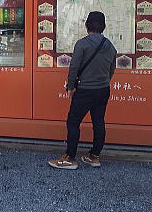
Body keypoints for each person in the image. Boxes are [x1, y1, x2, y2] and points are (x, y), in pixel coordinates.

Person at [49, 11, 117, 170]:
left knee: (73, 122)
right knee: (98, 122)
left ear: (87, 25)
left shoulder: (82, 44)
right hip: (103, 90)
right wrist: (103, 82)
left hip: (85, 90)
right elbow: (111, 70)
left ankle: (70, 158)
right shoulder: (110, 46)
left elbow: (74, 68)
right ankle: (94, 156)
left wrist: (71, 87)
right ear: (104, 26)